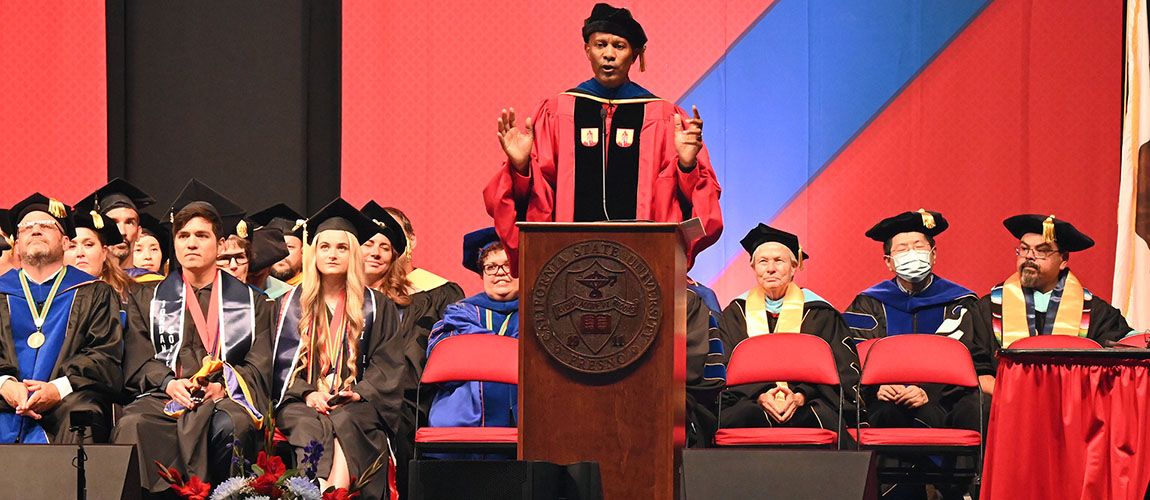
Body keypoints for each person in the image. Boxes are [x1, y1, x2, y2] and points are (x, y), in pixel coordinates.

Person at [484, 2, 723, 272]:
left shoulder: (665, 117)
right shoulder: (557, 112)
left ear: (635, 55)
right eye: (600, 45)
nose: (609, 54)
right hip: (567, 265)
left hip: (643, 264)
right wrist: (520, 168)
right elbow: (529, 199)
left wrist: (687, 166)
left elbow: (701, 208)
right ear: (587, 50)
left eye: (619, 46)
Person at [112, 180, 273, 493]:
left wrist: (222, 386)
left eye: (202, 236)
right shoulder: (148, 298)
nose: (191, 244)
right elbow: (139, 358)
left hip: (223, 398)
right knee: (133, 424)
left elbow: (259, 364)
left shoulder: (253, 303)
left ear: (220, 244)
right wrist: (169, 383)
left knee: (233, 425)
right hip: (166, 396)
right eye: (183, 236)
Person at [272, 198, 404, 497]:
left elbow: (389, 363)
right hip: (301, 401)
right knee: (307, 425)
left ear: (354, 254)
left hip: (357, 401)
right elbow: (276, 366)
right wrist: (307, 393)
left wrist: (359, 392)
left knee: (347, 419)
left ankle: (333, 493)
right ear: (313, 253)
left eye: (342, 247)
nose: (332, 254)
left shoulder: (376, 305)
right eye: (325, 247)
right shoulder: (287, 306)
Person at [717, 224, 859, 440]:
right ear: (753, 268)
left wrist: (801, 395)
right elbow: (724, 370)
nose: (770, 268)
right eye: (763, 261)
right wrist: (762, 395)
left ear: (794, 267)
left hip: (807, 402)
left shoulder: (820, 313)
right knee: (731, 419)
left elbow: (841, 373)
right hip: (751, 402)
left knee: (825, 420)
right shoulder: (736, 314)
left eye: (779, 261)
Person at [0, 194, 123, 443]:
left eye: (46, 226)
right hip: (5, 398)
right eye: (26, 227)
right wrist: (5, 384)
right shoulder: (2, 291)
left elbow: (104, 355)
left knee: (82, 413)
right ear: (16, 243)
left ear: (66, 242)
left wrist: (58, 388)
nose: (35, 230)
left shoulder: (94, 291)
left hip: (68, 398)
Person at [843, 210, 980, 430]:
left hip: (944, 399)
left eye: (918, 246)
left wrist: (929, 390)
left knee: (969, 409)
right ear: (889, 261)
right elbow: (853, 353)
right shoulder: (869, 303)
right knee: (883, 413)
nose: (912, 254)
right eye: (902, 249)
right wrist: (877, 386)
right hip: (886, 399)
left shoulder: (961, 303)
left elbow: (969, 359)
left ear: (933, 254)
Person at [970, 215, 1134, 398]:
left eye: (1042, 251)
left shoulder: (1095, 313)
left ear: (1063, 260)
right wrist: (1009, 394)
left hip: (1072, 410)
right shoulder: (988, 309)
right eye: (1024, 249)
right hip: (1004, 403)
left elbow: (1120, 366)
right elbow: (973, 368)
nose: (1030, 257)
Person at [363, 203, 464, 496]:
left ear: (407, 243)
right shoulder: (340, 295)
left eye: (387, 241)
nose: (376, 251)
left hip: (406, 395)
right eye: (368, 241)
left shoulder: (435, 293)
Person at [425, 228, 518, 458]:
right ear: (482, 274)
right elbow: (445, 372)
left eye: (508, 265)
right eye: (490, 267)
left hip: (525, 417)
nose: (500, 273)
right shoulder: (460, 315)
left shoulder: (538, 315)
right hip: (466, 416)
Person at [74, 178, 156, 277]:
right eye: (113, 222)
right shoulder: (87, 285)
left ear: (139, 233)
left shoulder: (153, 286)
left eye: (129, 223)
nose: (122, 231)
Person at [65, 208, 136, 304]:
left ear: (104, 252)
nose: (80, 253)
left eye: (88, 245)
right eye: (72, 246)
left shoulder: (133, 294)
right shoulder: (51, 296)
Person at [249, 203, 306, 287]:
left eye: (289, 247)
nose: (283, 252)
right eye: (275, 247)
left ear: (303, 252)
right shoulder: (251, 291)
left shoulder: (312, 292)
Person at [132, 213, 169, 281]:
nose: (148, 256)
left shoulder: (173, 288)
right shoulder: (115, 288)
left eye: (154, 249)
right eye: (138, 250)